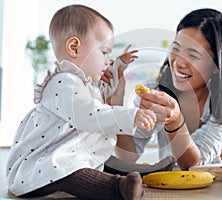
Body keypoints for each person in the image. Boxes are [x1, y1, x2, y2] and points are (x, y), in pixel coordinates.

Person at [6, 4, 175, 200]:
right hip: (44, 167)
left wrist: (117, 68)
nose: (107, 60)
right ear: (74, 47)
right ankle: (118, 187)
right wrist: (131, 115)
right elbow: (91, 114)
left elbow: (100, 98)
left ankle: (146, 172)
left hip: (70, 154)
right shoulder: (62, 82)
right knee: (73, 172)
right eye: (104, 52)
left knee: (102, 156)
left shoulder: (80, 83)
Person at [116, 8, 222, 170]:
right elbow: (128, 154)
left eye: (193, 55)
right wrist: (115, 102)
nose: (178, 62)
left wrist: (175, 121)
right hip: (168, 188)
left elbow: (193, 164)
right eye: (176, 49)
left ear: (217, 65)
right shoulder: (154, 91)